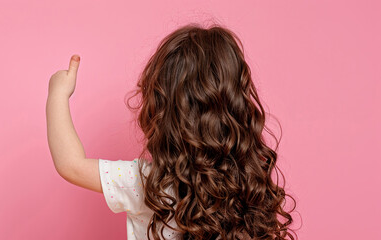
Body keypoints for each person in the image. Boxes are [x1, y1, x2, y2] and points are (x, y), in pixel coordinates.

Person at [46, 23, 297, 240]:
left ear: (163, 112)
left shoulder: (148, 184)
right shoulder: (248, 183)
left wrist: (58, 93)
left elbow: (71, 164)